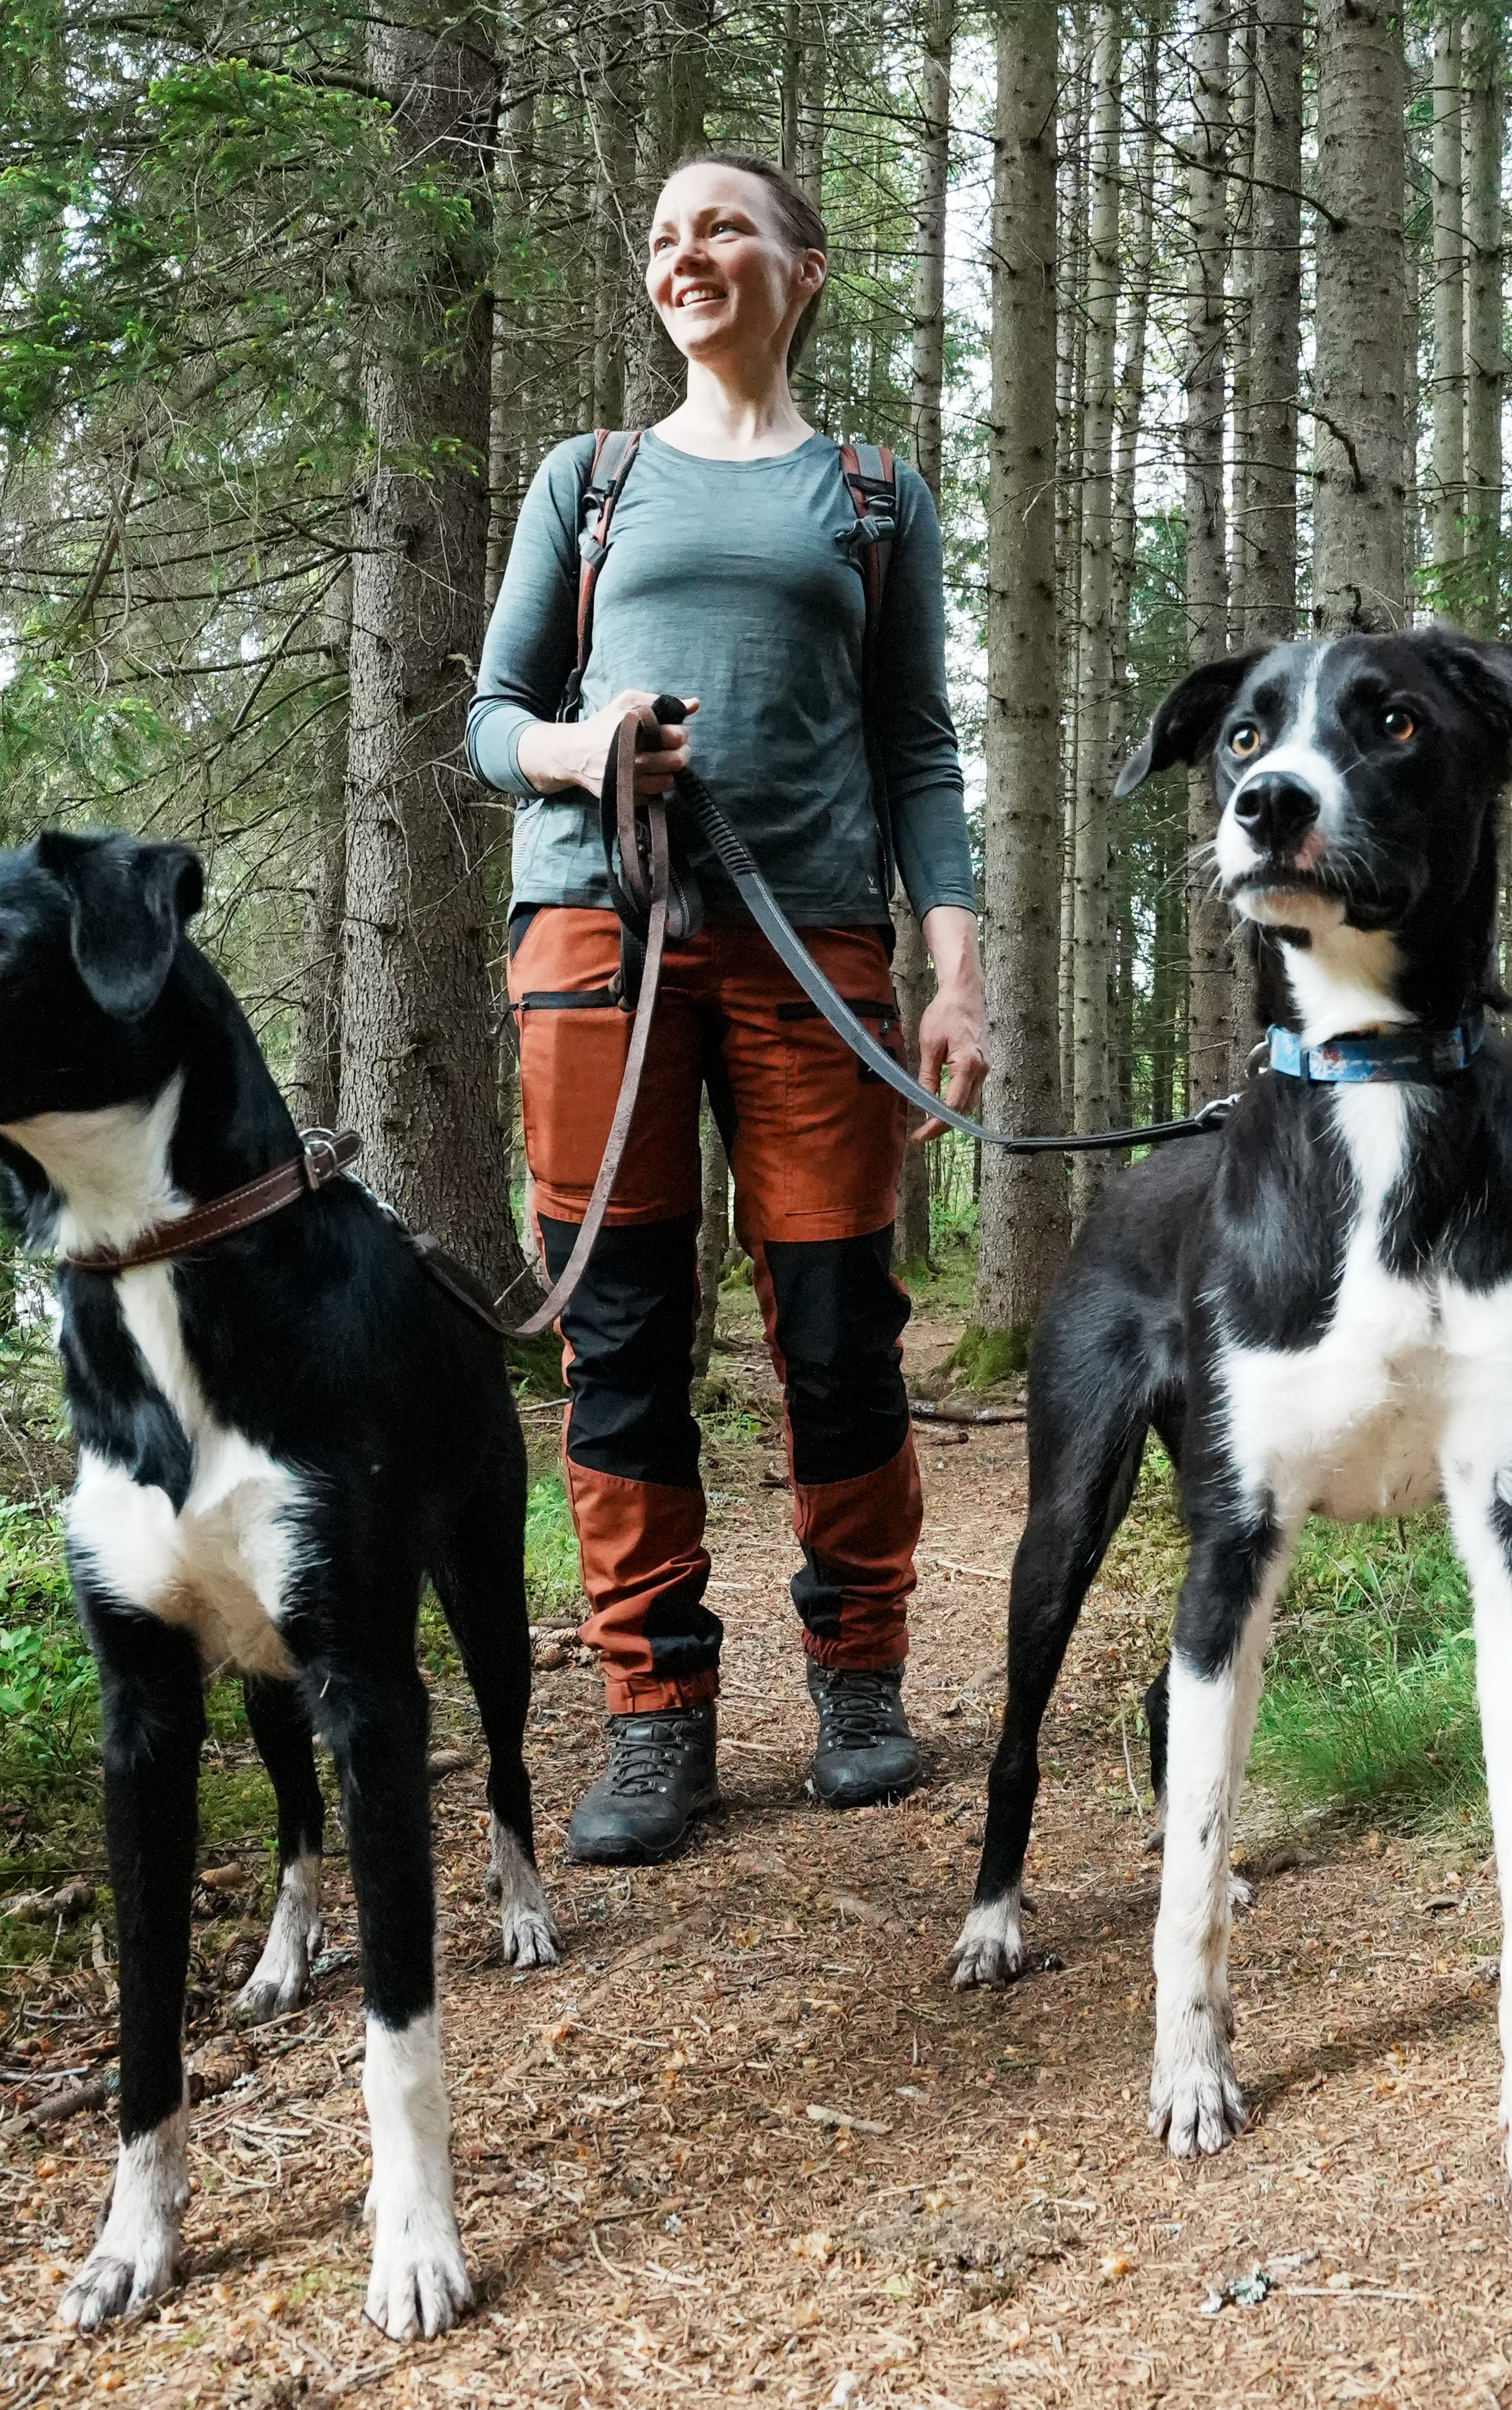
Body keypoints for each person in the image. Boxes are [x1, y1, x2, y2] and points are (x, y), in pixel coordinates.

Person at [467, 151, 988, 1867]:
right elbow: (491, 716)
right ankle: (653, 1713)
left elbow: (918, 748)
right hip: (595, 942)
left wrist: (956, 967)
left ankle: (859, 1671)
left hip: (814, 944)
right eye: (667, 234)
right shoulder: (589, 478)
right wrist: (585, 742)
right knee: (619, 1328)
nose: (689, 253)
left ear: (803, 269)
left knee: (840, 1320)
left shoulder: (873, 491)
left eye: (726, 228)